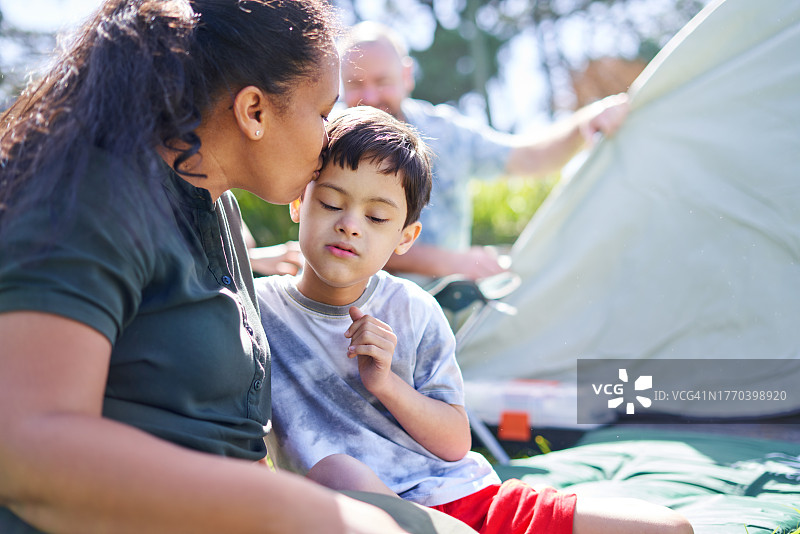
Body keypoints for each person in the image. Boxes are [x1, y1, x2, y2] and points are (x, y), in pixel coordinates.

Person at [0, 2, 473, 533]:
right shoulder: (92, 197)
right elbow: (27, 449)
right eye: (322, 114)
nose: (326, 147)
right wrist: (294, 509)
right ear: (254, 112)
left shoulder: (214, 207)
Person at [257, 106, 693, 534]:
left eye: (376, 217)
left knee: (670, 528)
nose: (351, 225)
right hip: (373, 518)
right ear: (299, 202)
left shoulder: (412, 309)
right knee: (339, 473)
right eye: (333, 203)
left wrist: (387, 384)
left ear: (405, 237)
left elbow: (454, 442)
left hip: (470, 500)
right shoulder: (256, 312)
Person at [338, 21, 631, 282]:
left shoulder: (447, 133)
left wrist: (586, 120)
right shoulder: (330, 143)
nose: (371, 97)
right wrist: (451, 262)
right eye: (356, 84)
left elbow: (529, 157)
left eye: (382, 81)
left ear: (407, 75)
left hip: (447, 309)